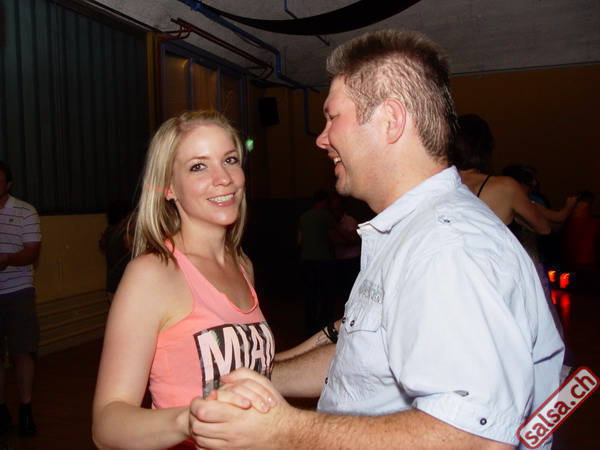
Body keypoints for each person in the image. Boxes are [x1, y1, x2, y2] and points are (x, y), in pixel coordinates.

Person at [187, 30, 565, 450]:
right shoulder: (410, 233)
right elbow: (365, 362)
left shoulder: (447, 248)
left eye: (333, 117)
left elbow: (473, 437)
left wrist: (283, 430)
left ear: (390, 120)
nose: (322, 138)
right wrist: (255, 379)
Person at [92, 110, 276, 449]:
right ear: (168, 188)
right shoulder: (153, 274)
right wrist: (190, 420)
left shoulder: (242, 265)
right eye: (198, 166)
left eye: (230, 160)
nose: (224, 178)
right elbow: (107, 426)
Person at [451, 114, 552, 234]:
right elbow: (544, 228)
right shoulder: (507, 187)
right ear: (486, 147)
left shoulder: (439, 185)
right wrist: (516, 217)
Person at [0, 160, 41, 437]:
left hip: (18, 291)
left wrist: (7, 259)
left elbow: (32, 251)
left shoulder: (25, 211)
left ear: (9, 184)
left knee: (22, 351)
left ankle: (25, 407)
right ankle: (1, 409)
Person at [297, 190, 336, 335]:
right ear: (324, 201)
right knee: (326, 294)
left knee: (310, 294)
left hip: (307, 259)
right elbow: (332, 236)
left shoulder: (303, 217)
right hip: (324, 259)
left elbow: (299, 240)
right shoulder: (326, 216)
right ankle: (325, 324)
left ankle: (309, 325)